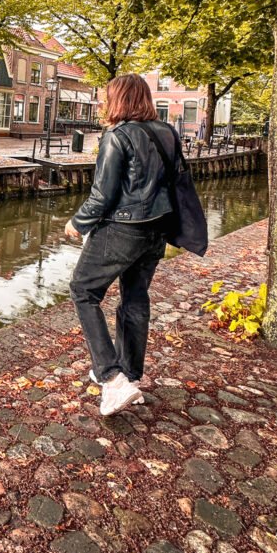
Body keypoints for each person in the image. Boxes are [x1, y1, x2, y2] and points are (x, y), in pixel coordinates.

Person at [64, 73, 181, 417]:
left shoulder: (117, 135)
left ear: (118, 99)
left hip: (124, 229)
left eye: (106, 96)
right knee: (134, 298)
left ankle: (112, 379)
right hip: (157, 230)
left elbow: (102, 195)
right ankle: (130, 375)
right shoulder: (167, 133)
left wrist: (77, 222)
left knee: (83, 290)